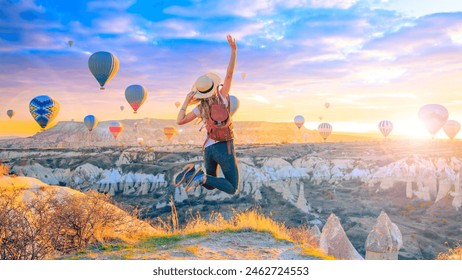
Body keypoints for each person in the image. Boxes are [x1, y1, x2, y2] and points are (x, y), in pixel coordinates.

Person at [174, 34, 239, 195]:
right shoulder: (222, 97)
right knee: (232, 187)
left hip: (209, 150)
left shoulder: (201, 107)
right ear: (213, 86)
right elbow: (229, 74)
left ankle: (191, 173)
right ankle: (199, 177)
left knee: (209, 183)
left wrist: (186, 100)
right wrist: (233, 51)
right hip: (224, 147)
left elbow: (180, 121)